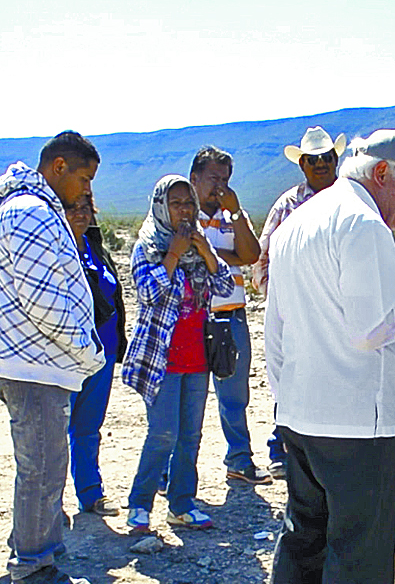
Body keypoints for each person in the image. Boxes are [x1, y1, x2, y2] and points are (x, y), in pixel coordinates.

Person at [257, 129, 395, 584]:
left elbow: (275, 330)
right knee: (359, 550)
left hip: (303, 414)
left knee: (303, 538)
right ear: (383, 173)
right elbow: (370, 330)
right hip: (360, 421)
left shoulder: (295, 223)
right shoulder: (362, 227)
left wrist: (285, 403)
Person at [0, 131, 103, 584]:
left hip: (38, 361)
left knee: (46, 461)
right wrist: (86, 350)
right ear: (58, 168)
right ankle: (33, 567)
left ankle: (37, 546)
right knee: (43, 465)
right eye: (83, 177)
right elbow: (43, 300)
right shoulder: (30, 214)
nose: (86, 190)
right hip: (32, 363)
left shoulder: (33, 210)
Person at [121, 175, 236, 534]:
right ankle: (140, 505)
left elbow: (226, 285)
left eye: (189, 203)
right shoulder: (147, 247)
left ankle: (182, 504)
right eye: (176, 203)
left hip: (198, 356)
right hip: (161, 357)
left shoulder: (200, 247)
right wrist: (173, 254)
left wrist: (204, 251)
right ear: (161, 207)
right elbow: (150, 291)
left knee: (191, 435)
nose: (185, 210)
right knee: (162, 433)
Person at [252, 126, 346, 479]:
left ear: (336, 160)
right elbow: (264, 256)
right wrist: (277, 303)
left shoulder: (352, 200)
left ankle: (327, 448)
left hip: (340, 309)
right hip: (296, 313)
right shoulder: (288, 204)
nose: (321, 164)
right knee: (291, 375)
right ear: (302, 164)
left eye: (326, 158)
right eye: (313, 160)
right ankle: (283, 445)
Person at [189, 146, 269, 485]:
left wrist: (232, 219)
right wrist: (225, 255)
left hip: (231, 316)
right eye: (212, 178)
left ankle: (239, 458)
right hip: (191, 318)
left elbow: (251, 255)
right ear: (194, 179)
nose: (219, 186)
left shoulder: (233, 215)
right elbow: (180, 254)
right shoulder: (179, 212)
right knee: (187, 398)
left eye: (225, 179)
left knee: (234, 396)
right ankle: (174, 470)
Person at [65, 193, 128, 517]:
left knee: (88, 426)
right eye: (72, 207)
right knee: (56, 429)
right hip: (67, 354)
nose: (80, 213)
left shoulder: (95, 248)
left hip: (102, 352)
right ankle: (48, 503)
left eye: (85, 207)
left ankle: (90, 493)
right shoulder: (57, 250)